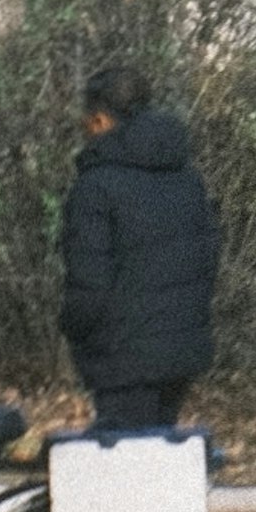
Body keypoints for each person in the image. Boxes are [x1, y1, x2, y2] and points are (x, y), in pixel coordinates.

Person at [58, 62, 220, 432]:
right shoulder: (187, 177)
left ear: (99, 120)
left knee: (124, 472)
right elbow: (208, 257)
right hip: (181, 351)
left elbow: (88, 286)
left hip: (121, 359)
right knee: (156, 467)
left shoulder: (96, 186)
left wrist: (73, 327)